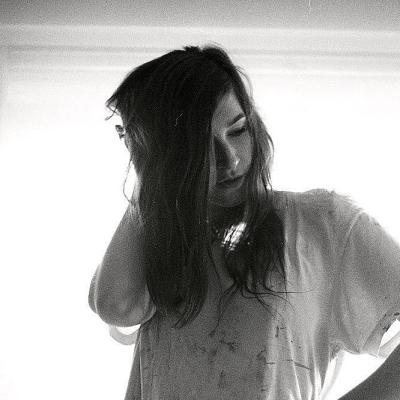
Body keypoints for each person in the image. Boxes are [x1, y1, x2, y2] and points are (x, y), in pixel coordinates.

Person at [88, 45, 400, 400]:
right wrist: (148, 164)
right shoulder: (160, 240)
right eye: (199, 147)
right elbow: (116, 305)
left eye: (238, 130)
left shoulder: (322, 223)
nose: (231, 159)